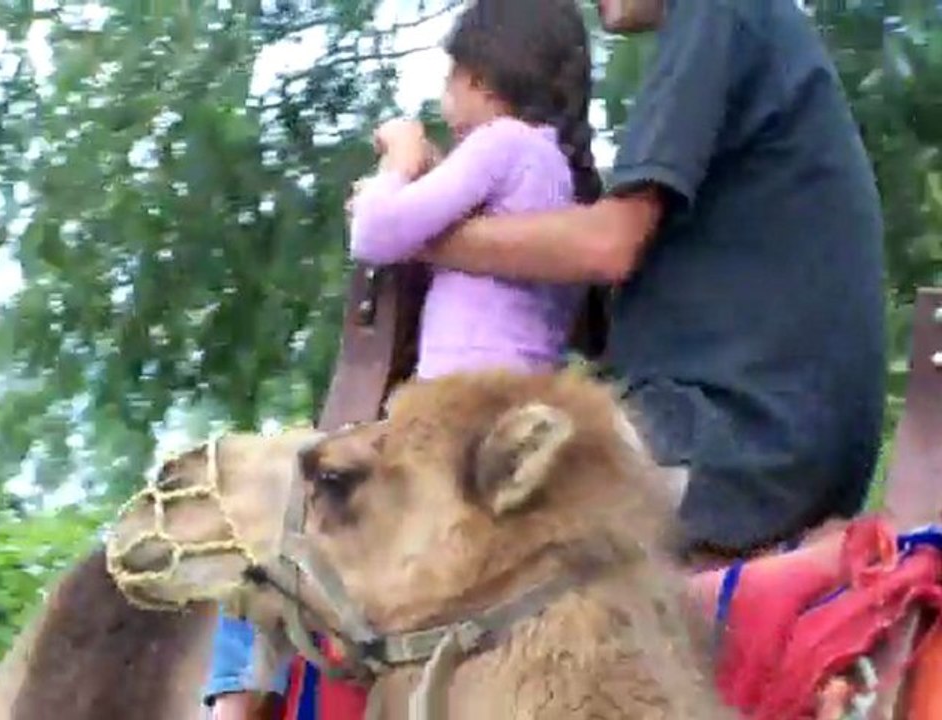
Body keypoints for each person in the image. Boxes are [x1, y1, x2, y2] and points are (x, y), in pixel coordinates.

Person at [204, 0, 604, 716]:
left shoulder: (503, 144)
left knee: (265, 517)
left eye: (451, 76)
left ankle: (235, 700)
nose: (446, 94)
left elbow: (378, 234)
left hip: (443, 425)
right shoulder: (563, 175)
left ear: (480, 78)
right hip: (503, 427)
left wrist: (399, 158)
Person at [418, 0, 886, 558]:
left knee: (448, 494)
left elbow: (608, 245)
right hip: (759, 436)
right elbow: (599, 306)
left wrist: (425, 234)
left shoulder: (715, 13)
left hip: (738, 443)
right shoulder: (745, 30)